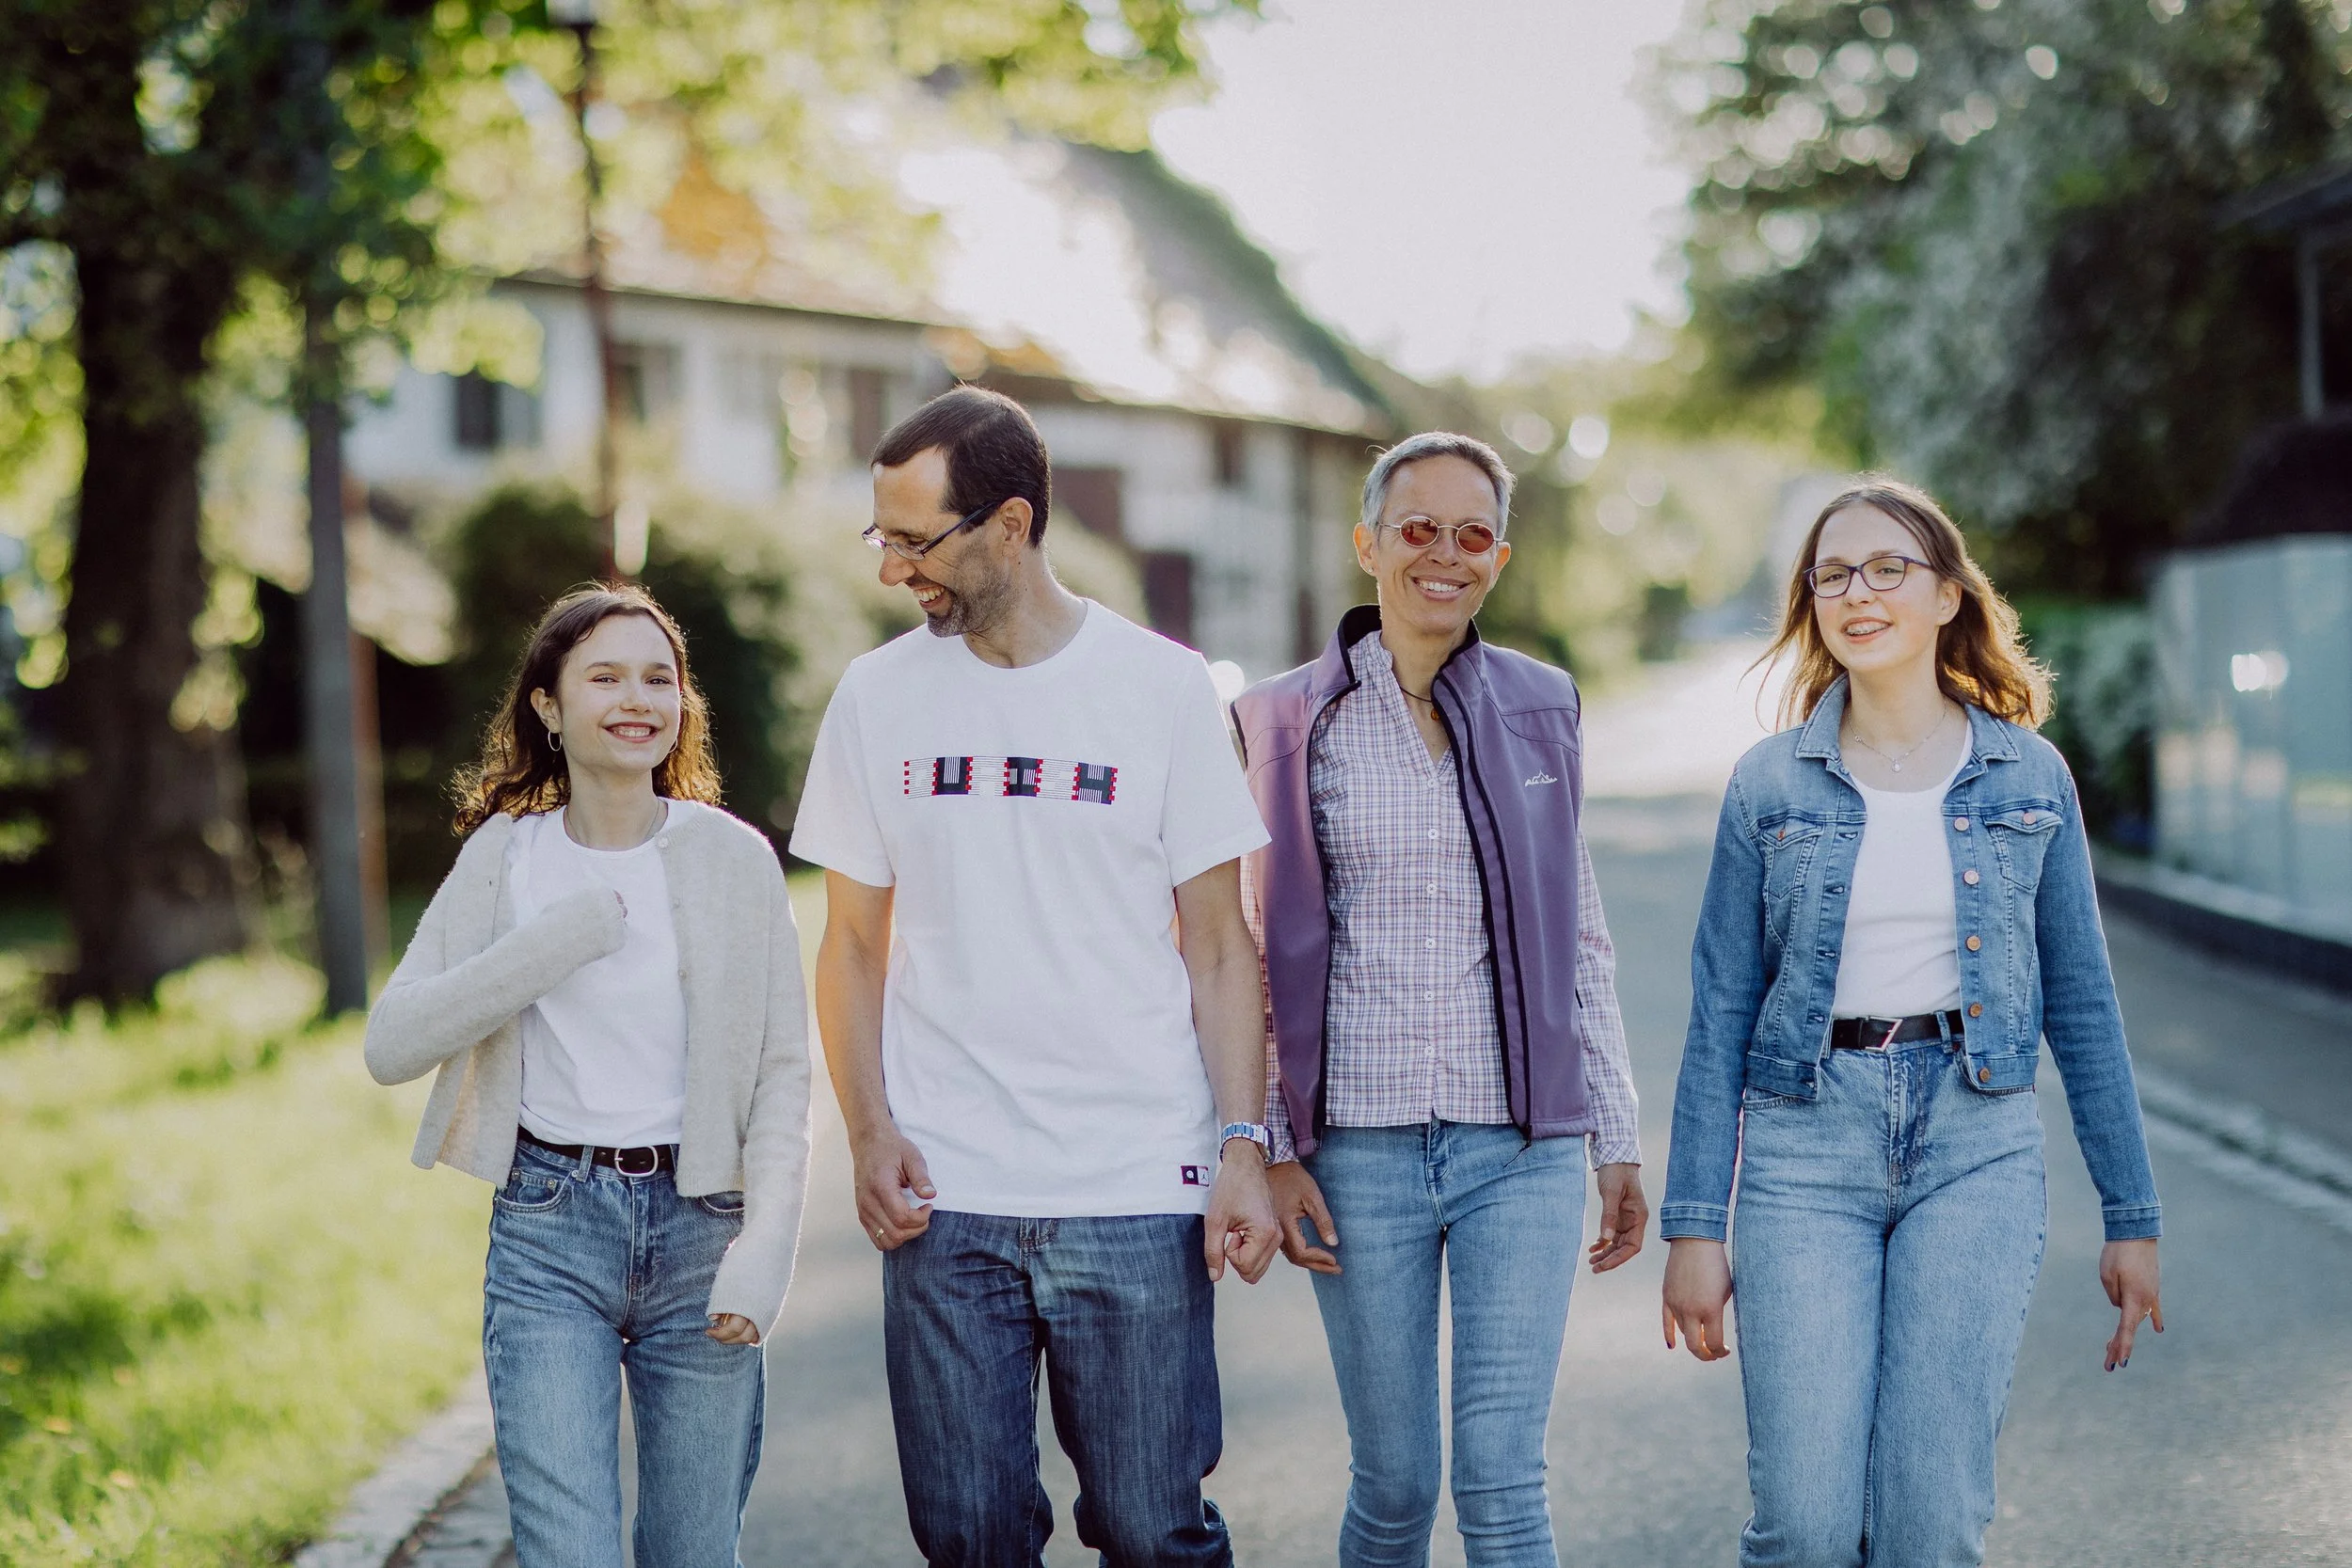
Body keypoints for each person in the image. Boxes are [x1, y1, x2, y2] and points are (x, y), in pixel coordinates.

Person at [792, 385, 1280, 1568]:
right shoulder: (875, 696)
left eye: (917, 541)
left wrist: (1241, 1144)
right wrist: (868, 1131)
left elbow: (1221, 942)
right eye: (882, 537)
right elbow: (850, 944)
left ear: (1010, 523)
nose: (894, 569)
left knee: (1153, 1530)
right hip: (946, 1191)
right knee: (968, 1535)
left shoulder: (1162, 688)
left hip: (1136, 1181)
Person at [1659, 477, 2164, 1566]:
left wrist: (2132, 1213)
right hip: (1803, 1151)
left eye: (1887, 567)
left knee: (1928, 1526)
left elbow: (2082, 1003)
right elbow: (1719, 1014)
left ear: (1946, 596)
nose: (1858, 591)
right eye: (1832, 573)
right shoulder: (1766, 785)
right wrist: (1695, 1226)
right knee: (1803, 1525)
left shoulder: (2028, 773)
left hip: (1975, 1147)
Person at [1232, 431, 1648, 1568]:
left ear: (1499, 557)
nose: (1444, 554)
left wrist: (1614, 1132)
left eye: (1473, 535)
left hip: (1518, 1151)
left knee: (1503, 1481)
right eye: (1418, 528)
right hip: (1355, 1157)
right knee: (1395, 1481)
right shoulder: (1277, 721)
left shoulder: (1541, 705)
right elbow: (1247, 948)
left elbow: (1580, 931)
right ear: (1368, 544)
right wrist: (1270, 1146)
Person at [363, 585, 811, 1568]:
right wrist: (548, 944)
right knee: (568, 1551)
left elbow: (783, 1071)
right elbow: (391, 1044)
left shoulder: (734, 859)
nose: (636, 699)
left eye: (658, 677)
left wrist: (767, 1244)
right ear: (549, 706)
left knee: (694, 1552)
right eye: (604, 677)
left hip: (703, 1227)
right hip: (550, 1228)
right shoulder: (506, 855)